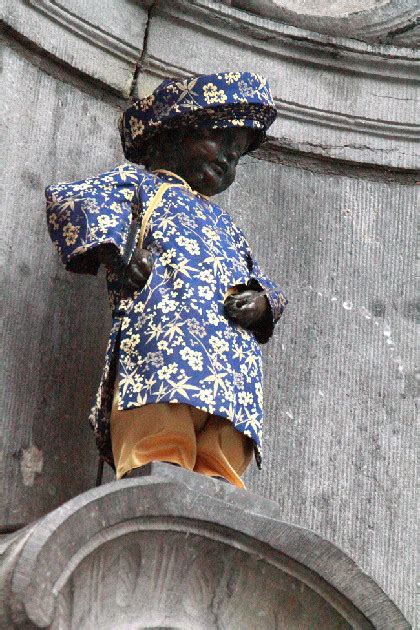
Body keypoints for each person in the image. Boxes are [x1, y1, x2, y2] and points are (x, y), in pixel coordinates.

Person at [46, 72, 288, 489]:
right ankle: (156, 469)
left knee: (226, 427)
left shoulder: (227, 224)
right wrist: (118, 252)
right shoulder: (141, 185)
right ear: (169, 135)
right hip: (165, 333)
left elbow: (258, 277)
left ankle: (219, 482)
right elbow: (75, 199)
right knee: (161, 407)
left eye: (237, 155)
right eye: (219, 141)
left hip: (230, 355)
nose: (229, 160)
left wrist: (262, 301)